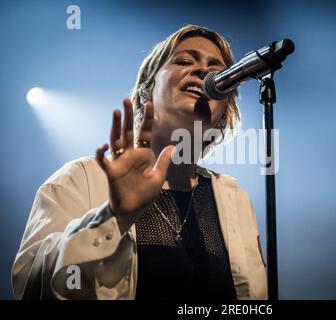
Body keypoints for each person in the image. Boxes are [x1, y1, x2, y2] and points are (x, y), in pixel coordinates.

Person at [12, 25, 267, 300]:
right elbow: (32, 286)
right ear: (147, 92)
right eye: (184, 61)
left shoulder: (235, 199)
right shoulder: (80, 178)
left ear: (224, 112)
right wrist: (112, 217)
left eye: (216, 71)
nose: (204, 71)